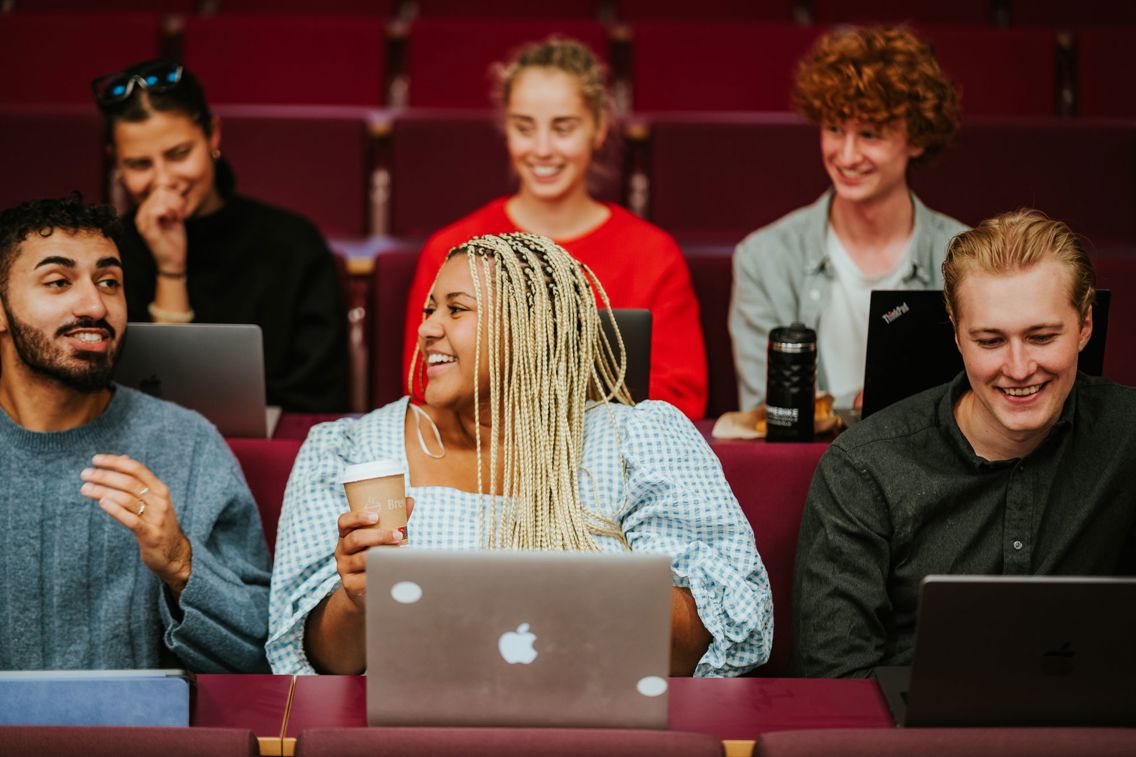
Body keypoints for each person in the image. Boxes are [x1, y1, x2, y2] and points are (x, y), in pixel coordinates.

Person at [269, 233, 770, 676]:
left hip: (602, 729)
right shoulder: (347, 452)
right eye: (428, 310)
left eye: (456, 309)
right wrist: (359, 603)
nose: (427, 330)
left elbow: (726, 625)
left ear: (533, 328)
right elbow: (314, 660)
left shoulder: (640, 440)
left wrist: (559, 596)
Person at [791, 210, 1136, 678]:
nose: (1018, 368)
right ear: (957, 335)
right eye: (990, 341)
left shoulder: (1127, 435)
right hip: (908, 741)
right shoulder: (864, 468)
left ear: (1085, 326)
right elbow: (832, 678)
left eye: (1041, 336)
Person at [0, 194, 270, 672]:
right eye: (59, 282)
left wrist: (180, 563)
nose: (94, 305)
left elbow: (259, 653)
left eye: (110, 282)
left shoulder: (188, 444)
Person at [401, 38, 708, 419]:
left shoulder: (652, 254)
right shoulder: (451, 248)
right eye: (525, 128)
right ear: (506, 130)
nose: (543, 149)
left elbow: (681, 395)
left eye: (563, 128)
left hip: (614, 462)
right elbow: (422, 382)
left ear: (598, 129)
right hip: (480, 464)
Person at [730, 26, 968, 412]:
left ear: (916, 139)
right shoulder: (763, 256)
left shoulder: (967, 257)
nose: (846, 154)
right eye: (835, 129)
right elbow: (765, 411)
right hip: (807, 468)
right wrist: (862, 405)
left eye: (870, 135)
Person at [92, 59, 348, 412]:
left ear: (212, 134)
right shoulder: (107, 251)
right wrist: (171, 272)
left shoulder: (292, 244)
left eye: (179, 154)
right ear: (116, 163)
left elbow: (322, 398)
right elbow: (135, 402)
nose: (164, 179)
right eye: (139, 164)